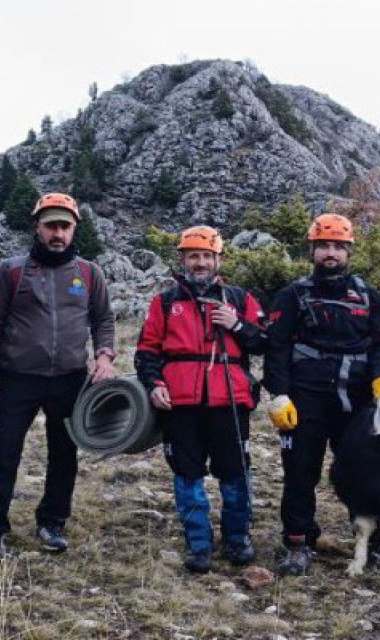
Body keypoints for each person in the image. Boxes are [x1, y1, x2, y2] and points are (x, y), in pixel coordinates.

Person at [0, 192, 116, 563]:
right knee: (4, 453)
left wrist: (104, 356)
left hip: (70, 378)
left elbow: (103, 319)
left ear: (74, 230)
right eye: (51, 225)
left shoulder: (88, 273)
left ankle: (52, 522)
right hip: (14, 378)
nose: (58, 233)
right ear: (37, 226)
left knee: (64, 454)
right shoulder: (11, 270)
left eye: (65, 226)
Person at [262, 214, 380, 576]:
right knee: (300, 472)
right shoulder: (293, 295)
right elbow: (276, 348)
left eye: (338, 246)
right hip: (306, 399)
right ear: (313, 250)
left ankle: (371, 546)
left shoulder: (369, 296)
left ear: (349, 250)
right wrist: (279, 395)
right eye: (324, 246)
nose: (330, 253)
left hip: (357, 400)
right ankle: (298, 543)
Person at [134, 226, 267, 574]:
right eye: (193, 255)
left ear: (218, 259)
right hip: (181, 404)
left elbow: (266, 342)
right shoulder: (164, 303)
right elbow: (147, 350)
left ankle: (238, 538)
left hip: (230, 400)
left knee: (236, 473)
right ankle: (199, 543)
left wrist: (237, 325)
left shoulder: (240, 299)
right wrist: (153, 383)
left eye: (207, 256)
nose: (200, 262)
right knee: (187, 474)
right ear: (182, 259)